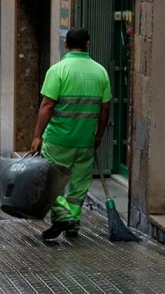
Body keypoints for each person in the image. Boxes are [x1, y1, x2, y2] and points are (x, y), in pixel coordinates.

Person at [29, 27, 111, 240]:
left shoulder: (58, 70)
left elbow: (47, 106)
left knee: (49, 179)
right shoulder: (100, 72)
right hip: (86, 140)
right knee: (79, 185)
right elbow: (105, 109)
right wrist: (99, 135)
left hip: (59, 138)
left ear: (65, 44)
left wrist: (38, 136)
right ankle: (73, 223)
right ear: (88, 44)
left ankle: (63, 216)